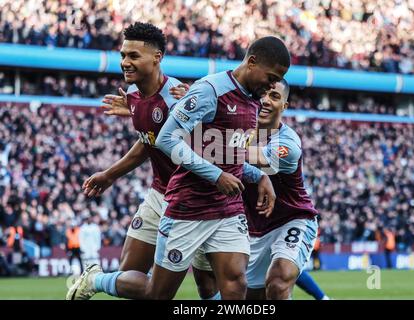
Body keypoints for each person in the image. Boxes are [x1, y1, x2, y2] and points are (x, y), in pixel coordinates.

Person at [68, 35, 289, 300]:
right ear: (252, 62)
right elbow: (164, 139)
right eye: (273, 76)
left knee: (234, 286)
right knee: (156, 293)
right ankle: (97, 279)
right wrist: (218, 176)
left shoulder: (254, 100)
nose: (274, 84)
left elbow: (226, 152)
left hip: (226, 207)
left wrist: (258, 176)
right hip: (186, 204)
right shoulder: (209, 90)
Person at [67, 22, 217, 300]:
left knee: (207, 288)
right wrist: (110, 174)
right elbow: (148, 143)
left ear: (157, 58)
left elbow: (213, 144)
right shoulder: (135, 98)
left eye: (133, 56)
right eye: (123, 55)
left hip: (196, 200)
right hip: (160, 194)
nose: (125, 62)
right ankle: (97, 279)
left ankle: (95, 279)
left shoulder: (179, 98)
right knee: (128, 273)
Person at [243, 79, 319, 300]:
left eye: (274, 97)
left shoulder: (289, 144)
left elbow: (252, 158)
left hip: (292, 218)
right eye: (262, 94)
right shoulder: (236, 132)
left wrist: (212, 148)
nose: (266, 101)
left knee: (278, 281)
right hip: (255, 229)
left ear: (284, 105)